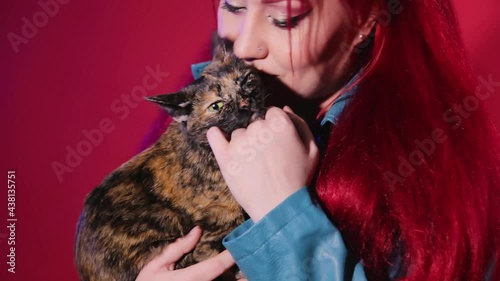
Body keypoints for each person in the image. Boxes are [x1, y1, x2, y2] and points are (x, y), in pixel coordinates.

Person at [136, 0, 500, 280]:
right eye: (232, 6)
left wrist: (283, 217)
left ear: (366, 17)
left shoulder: (428, 177)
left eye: (285, 18)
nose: (244, 45)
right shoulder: (203, 109)